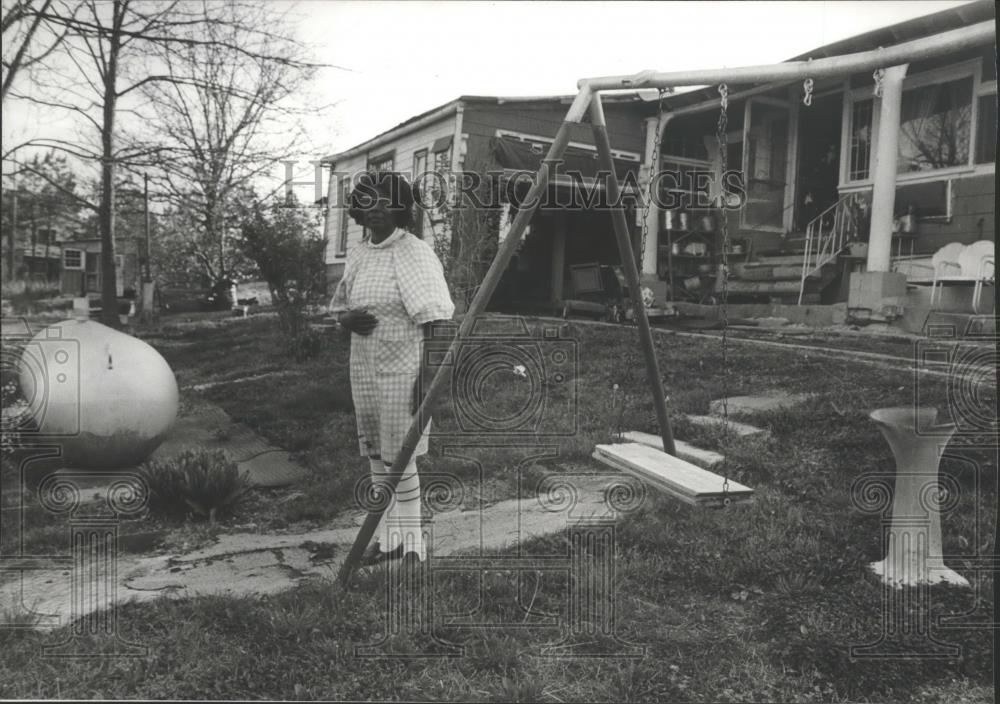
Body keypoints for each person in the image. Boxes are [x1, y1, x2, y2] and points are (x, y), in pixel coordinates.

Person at [328, 171, 455, 566]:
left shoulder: (413, 251)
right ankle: (388, 541)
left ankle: (414, 544)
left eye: (386, 200)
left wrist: (429, 381)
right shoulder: (362, 253)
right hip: (365, 366)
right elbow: (341, 306)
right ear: (358, 210)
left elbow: (437, 320)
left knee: (401, 459)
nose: (376, 208)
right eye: (368, 200)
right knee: (376, 456)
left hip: (405, 368)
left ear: (400, 208)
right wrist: (345, 321)